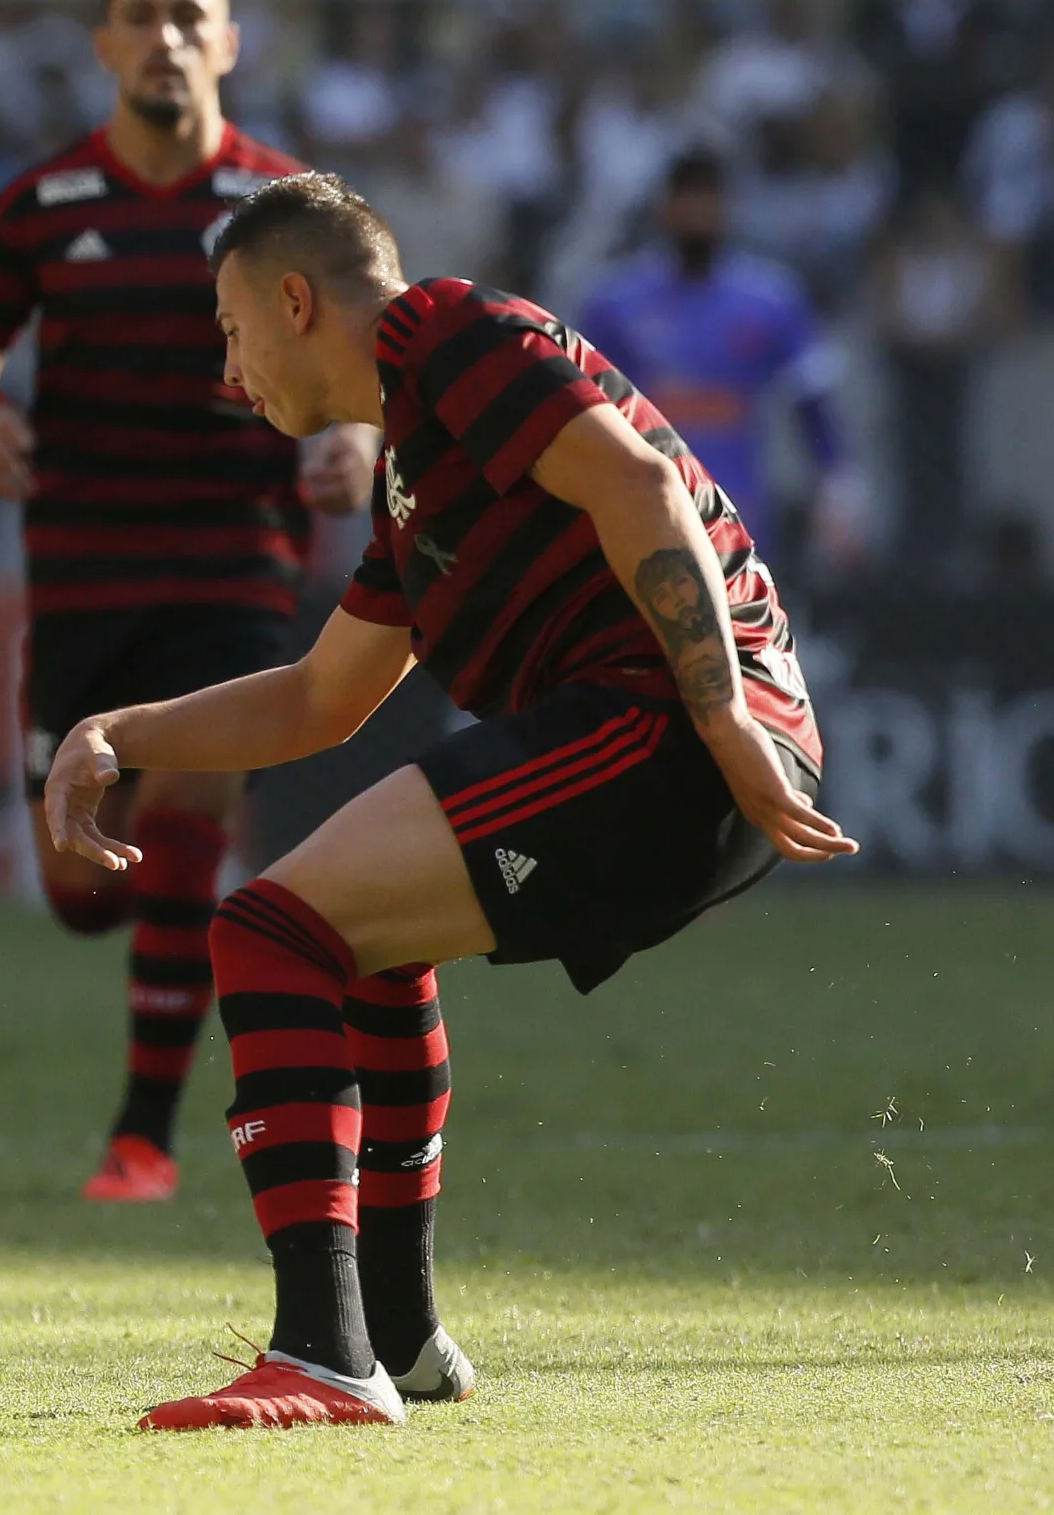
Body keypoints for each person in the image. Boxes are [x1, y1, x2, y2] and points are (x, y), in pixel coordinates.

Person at [45, 172, 851, 1428]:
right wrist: (116, 735)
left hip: (670, 729)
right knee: (355, 945)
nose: (226, 364)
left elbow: (636, 485)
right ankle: (401, 1340)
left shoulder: (459, 332)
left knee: (266, 929)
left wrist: (717, 713)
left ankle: (320, 1356)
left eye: (229, 324)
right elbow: (320, 700)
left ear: (296, 300)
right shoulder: (418, 468)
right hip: (678, 733)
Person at [0, 0, 376, 1204]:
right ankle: (156, 978)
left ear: (229, 42)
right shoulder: (37, 208)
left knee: (189, 815)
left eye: (192, 14)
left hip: (235, 558)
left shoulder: (290, 211)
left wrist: (349, 434)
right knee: (82, 888)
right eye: (143, 15)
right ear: (104, 45)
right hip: (79, 567)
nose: (167, 36)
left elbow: (364, 363)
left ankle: (141, 1139)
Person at [578, 148, 859, 566]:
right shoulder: (615, 304)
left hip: (738, 516)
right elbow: (582, 408)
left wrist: (837, 488)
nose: (697, 210)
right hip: (639, 511)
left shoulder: (771, 299)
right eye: (686, 196)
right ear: (664, 206)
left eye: (708, 196)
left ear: (729, 206)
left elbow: (811, 399)